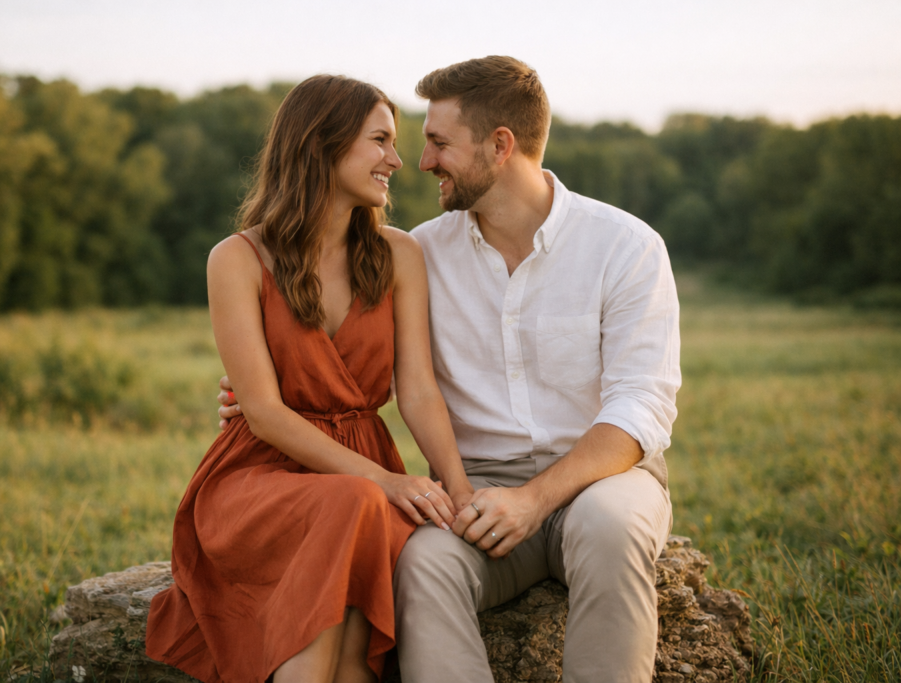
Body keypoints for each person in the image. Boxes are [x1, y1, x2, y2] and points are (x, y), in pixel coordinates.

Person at [219, 56, 681, 683]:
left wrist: (533, 500)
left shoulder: (625, 247)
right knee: (423, 563)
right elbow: (336, 353)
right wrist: (261, 391)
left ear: (500, 145)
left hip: (600, 481)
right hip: (477, 486)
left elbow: (639, 409)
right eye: (409, 142)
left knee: (609, 527)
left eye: (438, 143)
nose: (422, 160)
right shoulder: (420, 251)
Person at [146, 74, 473, 683]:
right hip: (261, 477)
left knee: (354, 654)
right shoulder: (237, 258)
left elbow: (419, 390)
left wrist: (455, 490)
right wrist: (383, 483)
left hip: (362, 478)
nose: (396, 161)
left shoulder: (399, 253)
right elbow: (263, 412)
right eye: (380, 141)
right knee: (354, 506)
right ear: (322, 143)